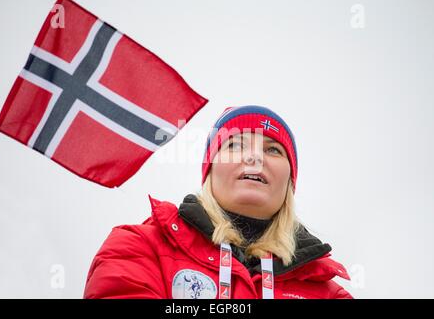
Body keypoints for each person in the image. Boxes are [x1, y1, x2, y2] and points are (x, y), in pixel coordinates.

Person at [83, 105, 353, 299]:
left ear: (290, 182)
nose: (255, 158)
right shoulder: (138, 247)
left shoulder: (328, 292)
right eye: (235, 145)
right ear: (209, 172)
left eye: (273, 149)